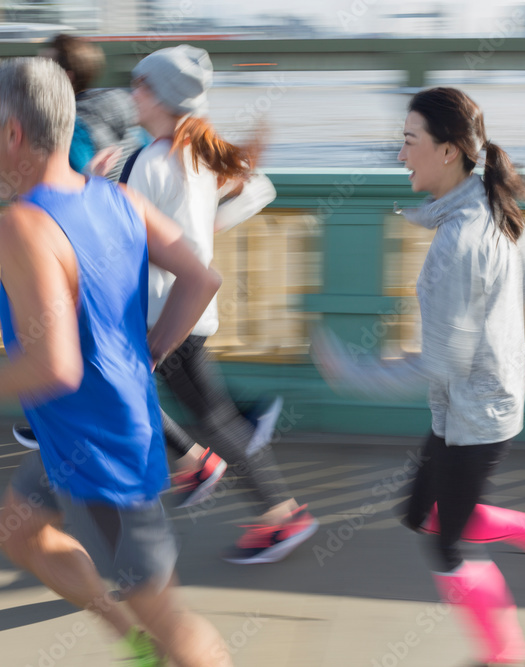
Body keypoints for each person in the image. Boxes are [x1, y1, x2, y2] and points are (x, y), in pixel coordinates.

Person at [0, 56, 231, 667]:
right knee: (17, 530)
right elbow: (200, 278)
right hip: (75, 439)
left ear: (14, 133)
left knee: (172, 621)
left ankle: (153, 644)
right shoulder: (114, 198)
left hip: (101, 456)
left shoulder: (23, 226)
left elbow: (55, 368)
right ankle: (131, 640)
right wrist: (149, 352)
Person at [311, 86, 525, 666]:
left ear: (447, 151)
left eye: (408, 141)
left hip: (477, 413)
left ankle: (504, 655)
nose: (400, 155)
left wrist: (352, 371)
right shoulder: (488, 206)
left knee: (447, 546)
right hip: (472, 404)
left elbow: (440, 361)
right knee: (421, 513)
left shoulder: (458, 240)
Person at [120, 44, 316, 564]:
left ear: (159, 96)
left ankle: (278, 513)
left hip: (162, 318)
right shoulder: (195, 157)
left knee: (213, 419)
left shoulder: (150, 163)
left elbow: (124, 239)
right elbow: (247, 197)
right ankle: (199, 466)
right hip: (185, 313)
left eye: (139, 85)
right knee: (196, 410)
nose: (132, 95)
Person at [46, 33, 145, 181]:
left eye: (43, 67)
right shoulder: (123, 107)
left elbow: (71, 188)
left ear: (66, 77)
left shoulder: (69, 126)